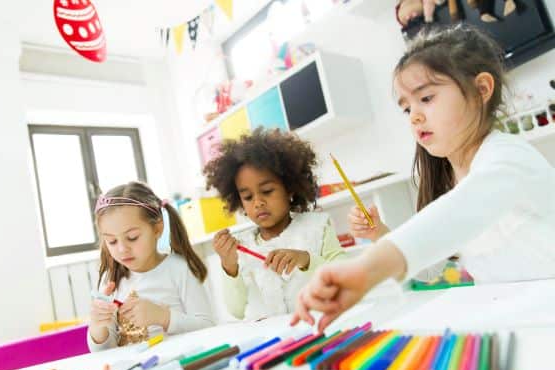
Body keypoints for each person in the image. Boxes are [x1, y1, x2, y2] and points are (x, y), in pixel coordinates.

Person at [293, 25, 555, 331]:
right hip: (524, 317)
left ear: (482, 89)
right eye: (406, 109)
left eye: (426, 98)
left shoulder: (508, 158)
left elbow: (456, 214)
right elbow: (432, 269)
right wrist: (381, 233)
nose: (414, 115)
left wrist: (366, 270)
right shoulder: (451, 178)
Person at [203, 129, 345, 321]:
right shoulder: (241, 247)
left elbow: (345, 276)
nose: (258, 202)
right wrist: (230, 266)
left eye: (267, 191)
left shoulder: (317, 227)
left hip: (320, 329)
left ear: (290, 189)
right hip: (275, 341)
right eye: (247, 197)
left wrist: (306, 260)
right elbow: (236, 310)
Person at [88, 181, 214, 351]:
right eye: (111, 241)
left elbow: (208, 326)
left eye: (132, 237)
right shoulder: (110, 280)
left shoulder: (178, 269)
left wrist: (164, 318)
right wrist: (97, 329)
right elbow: (104, 351)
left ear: (157, 229)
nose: (122, 248)